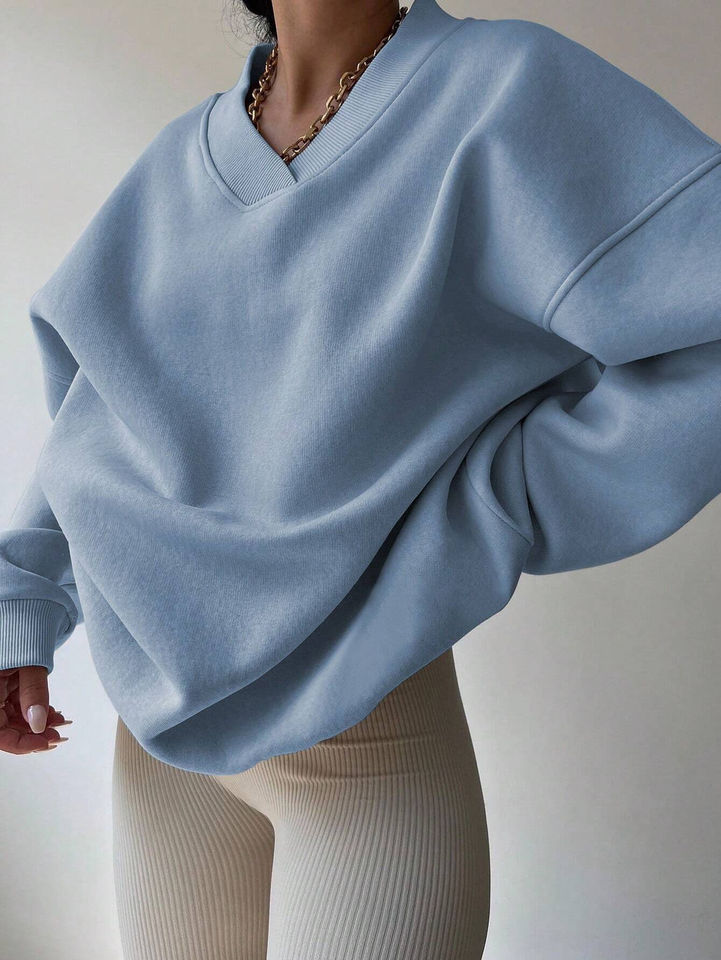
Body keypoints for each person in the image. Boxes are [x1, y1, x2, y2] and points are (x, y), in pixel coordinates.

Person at [2, 0, 720, 956]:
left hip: (366, 752)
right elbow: (98, 415)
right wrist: (22, 601)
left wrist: (488, 507)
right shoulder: (180, 161)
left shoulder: (504, 88)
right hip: (163, 754)